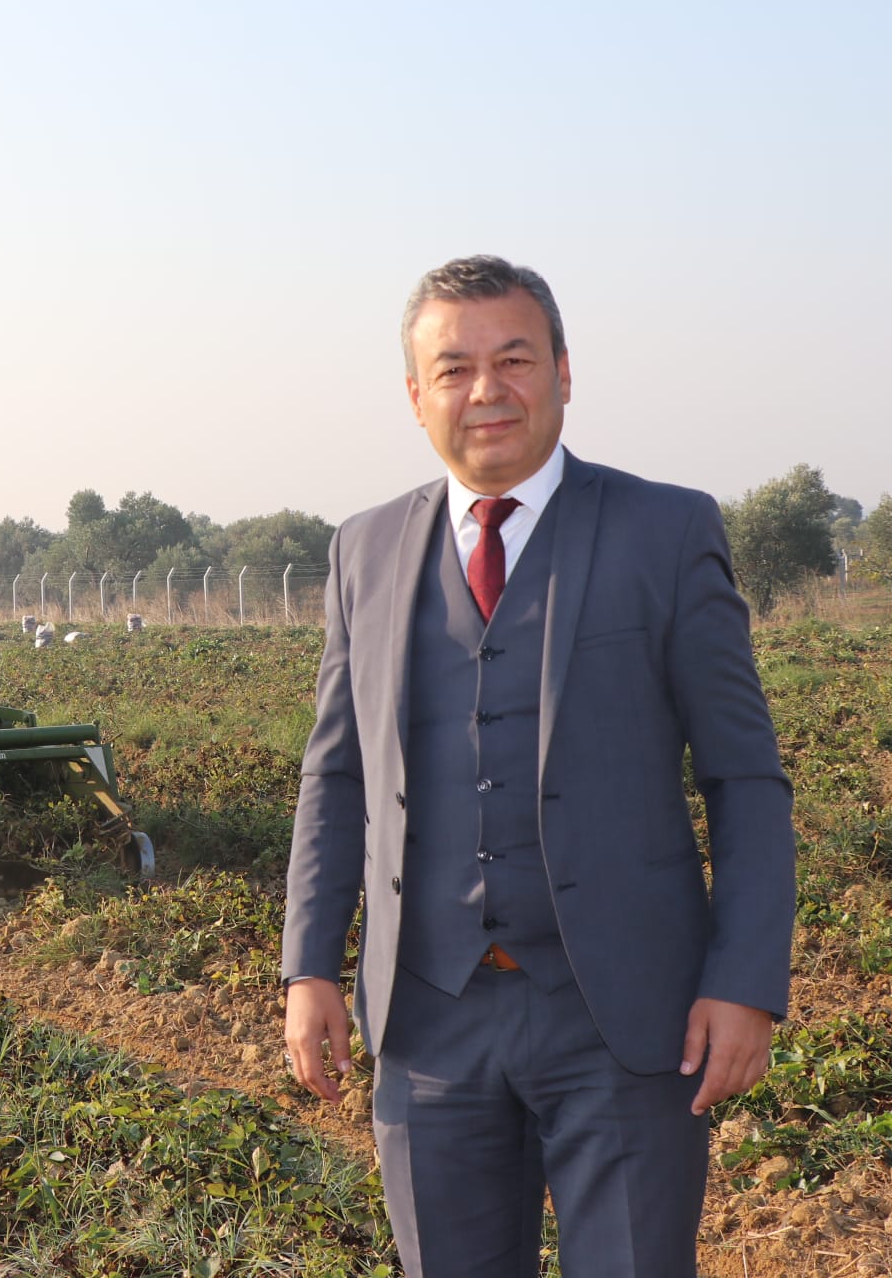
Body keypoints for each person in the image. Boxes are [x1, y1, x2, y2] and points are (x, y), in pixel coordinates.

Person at [280, 256, 795, 1277]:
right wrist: (308, 965)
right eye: (455, 367)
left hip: (626, 1019)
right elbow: (337, 775)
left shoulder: (664, 529)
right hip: (429, 1016)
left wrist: (746, 982)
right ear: (416, 395)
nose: (487, 389)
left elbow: (744, 778)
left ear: (563, 369)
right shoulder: (366, 548)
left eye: (514, 358)